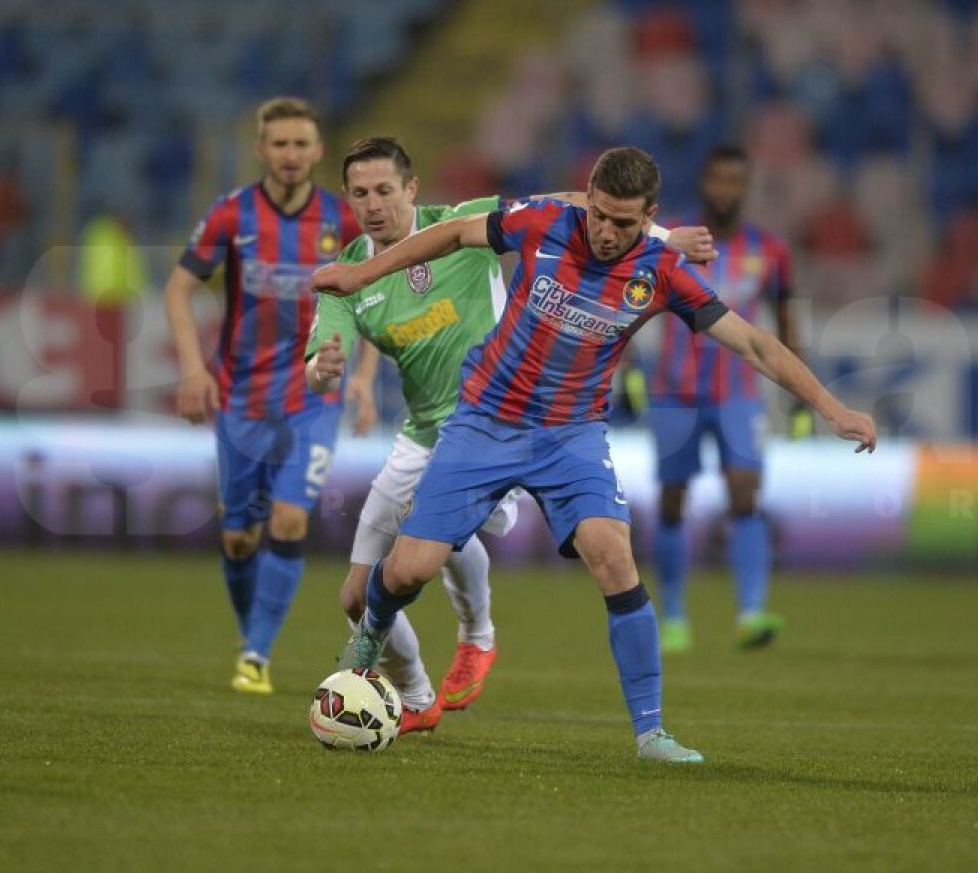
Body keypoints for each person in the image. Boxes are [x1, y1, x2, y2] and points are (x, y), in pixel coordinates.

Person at [312, 146, 876, 763]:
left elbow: (754, 344)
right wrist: (362, 275)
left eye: (623, 223)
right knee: (407, 572)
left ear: (648, 218)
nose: (605, 232)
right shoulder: (543, 224)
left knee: (613, 556)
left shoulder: (662, 271)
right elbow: (451, 234)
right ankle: (372, 633)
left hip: (570, 436)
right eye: (599, 215)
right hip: (484, 422)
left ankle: (651, 733)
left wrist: (833, 408)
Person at [305, 136, 717, 734]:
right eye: (360, 193)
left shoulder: (460, 223)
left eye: (384, 190)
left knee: (442, 533)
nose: (373, 204)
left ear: (411, 189)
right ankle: (417, 697)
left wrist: (661, 236)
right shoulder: (350, 277)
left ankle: (477, 635)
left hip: (502, 419)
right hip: (422, 434)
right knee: (356, 595)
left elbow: (576, 202)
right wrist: (323, 369)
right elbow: (321, 355)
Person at [163, 96, 370, 695]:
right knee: (237, 535)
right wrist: (192, 371)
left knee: (288, 516)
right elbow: (178, 290)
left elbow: (376, 296)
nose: (290, 154)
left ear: (318, 151)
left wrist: (361, 378)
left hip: (313, 396)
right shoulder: (232, 214)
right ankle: (250, 633)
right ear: (260, 150)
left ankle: (256, 654)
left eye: (301, 143)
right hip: (241, 398)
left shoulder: (341, 221)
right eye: (279, 144)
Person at [643, 144, 810, 654]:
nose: (725, 190)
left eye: (735, 180)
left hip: (738, 394)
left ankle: (751, 612)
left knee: (745, 493)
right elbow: (630, 297)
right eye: (718, 179)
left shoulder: (770, 250)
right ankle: (674, 615)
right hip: (674, 392)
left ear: (746, 186)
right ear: (704, 183)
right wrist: (623, 366)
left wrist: (799, 392)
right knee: (673, 500)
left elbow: (785, 320)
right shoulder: (673, 238)